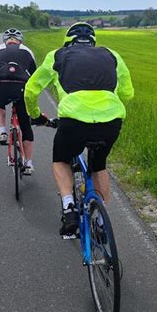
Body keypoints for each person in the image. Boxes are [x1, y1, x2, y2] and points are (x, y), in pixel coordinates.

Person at [24, 22, 134, 234]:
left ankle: (69, 208)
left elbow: (30, 90)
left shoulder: (57, 55)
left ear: (68, 41)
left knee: (61, 160)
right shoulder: (112, 55)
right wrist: (108, 107)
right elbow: (128, 93)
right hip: (111, 119)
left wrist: (36, 116)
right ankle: (102, 225)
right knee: (99, 165)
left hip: (73, 120)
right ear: (94, 42)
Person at [0, 29, 37, 173]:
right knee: (25, 126)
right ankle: (28, 164)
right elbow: (34, 76)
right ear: (20, 41)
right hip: (21, 86)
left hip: (0, 83)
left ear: (5, 41)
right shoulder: (27, 50)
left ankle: (2, 130)